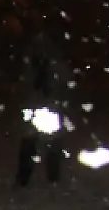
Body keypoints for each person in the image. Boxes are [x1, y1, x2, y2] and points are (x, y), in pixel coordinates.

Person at [16, 27, 73, 186]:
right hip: (40, 104)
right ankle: (43, 177)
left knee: (41, 142)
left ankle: (42, 177)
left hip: (45, 104)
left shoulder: (44, 60)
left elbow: (62, 80)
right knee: (37, 142)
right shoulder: (38, 59)